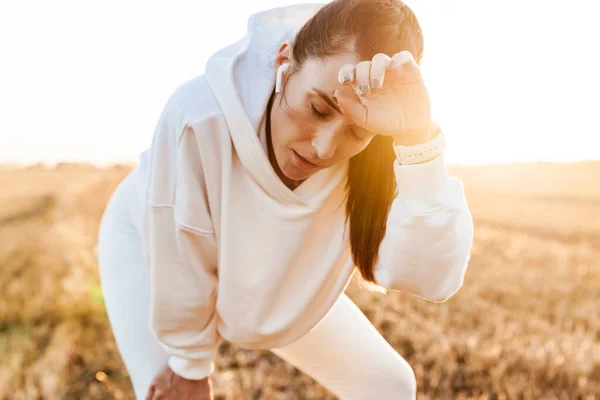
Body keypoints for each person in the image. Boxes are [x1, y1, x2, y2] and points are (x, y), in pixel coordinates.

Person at [97, 0, 474, 399]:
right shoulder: (200, 114)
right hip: (151, 243)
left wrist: (417, 141)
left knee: (389, 385)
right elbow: (181, 255)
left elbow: (433, 278)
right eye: (317, 108)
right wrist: (188, 366)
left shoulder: (376, 153)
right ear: (284, 60)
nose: (324, 148)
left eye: (357, 132)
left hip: (270, 276)